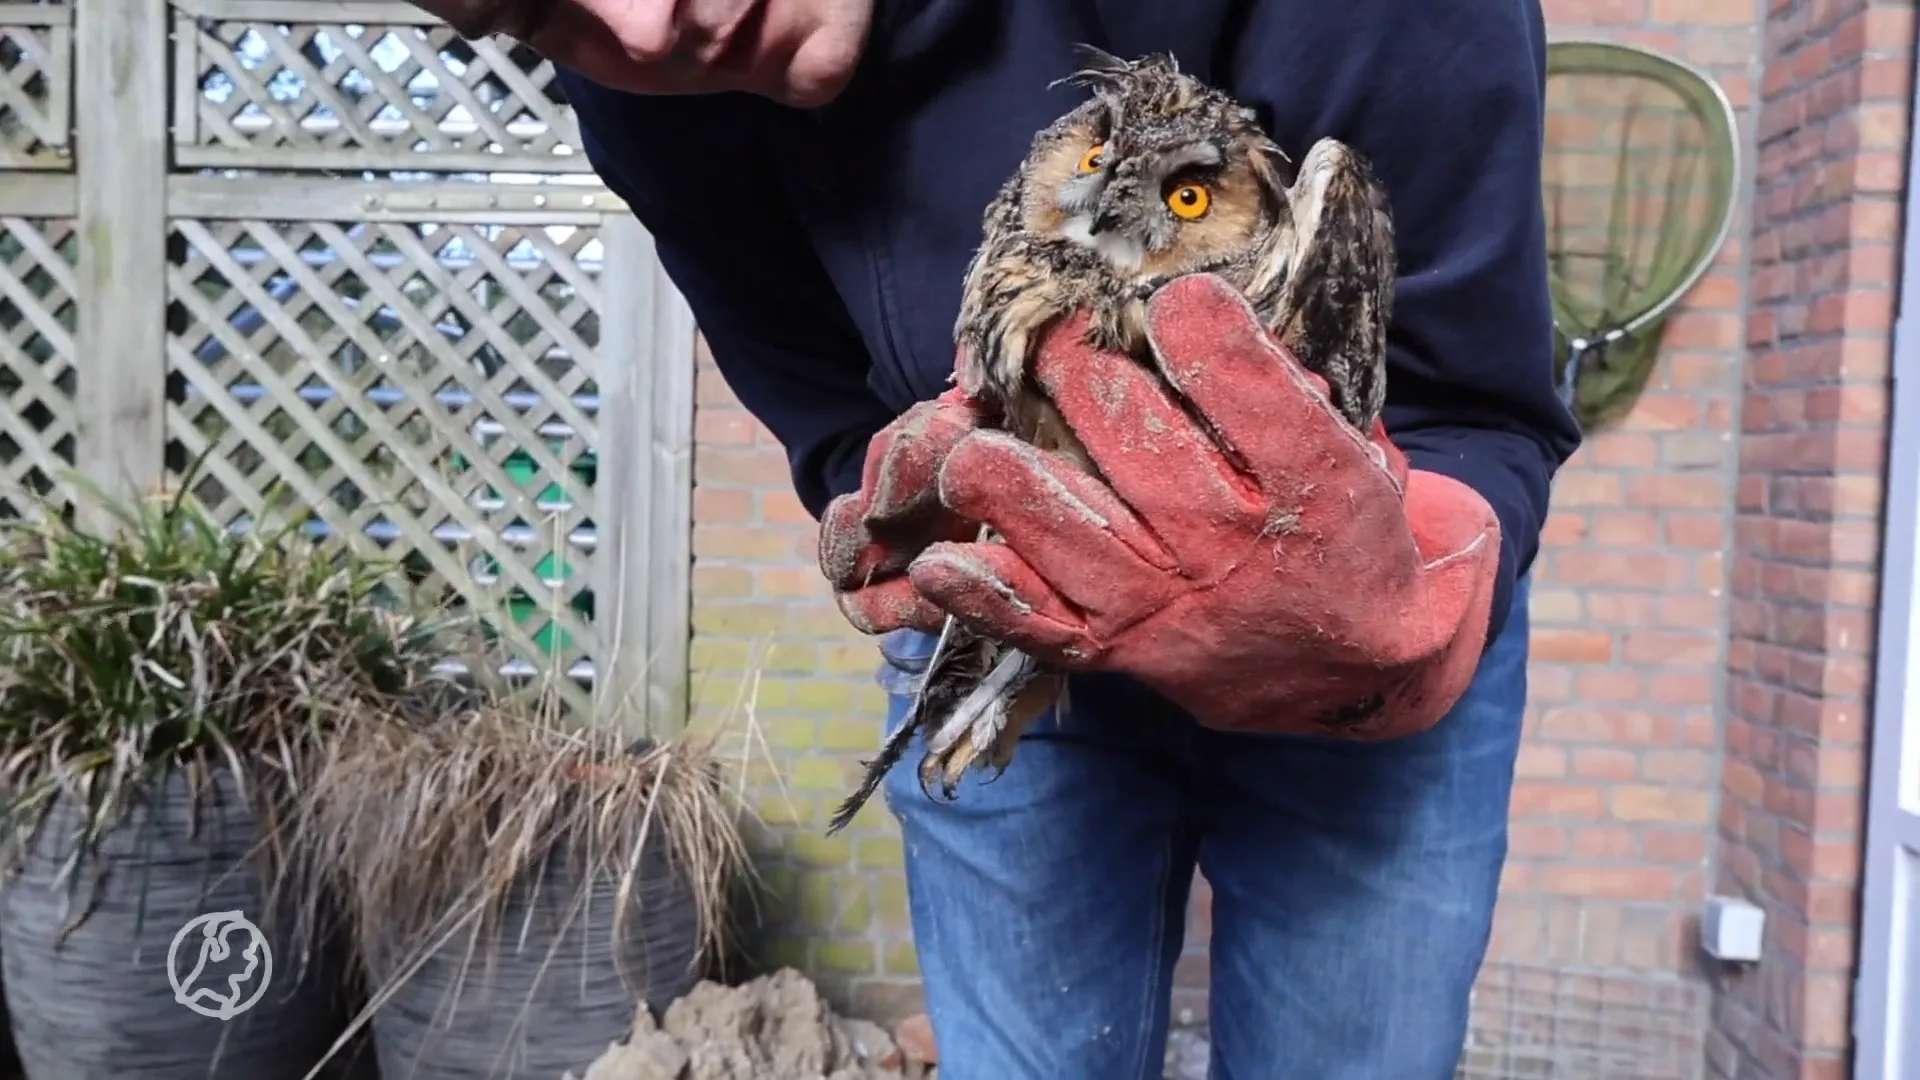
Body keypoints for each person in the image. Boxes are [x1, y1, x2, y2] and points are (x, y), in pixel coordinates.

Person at [412, 3, 1583, 1077]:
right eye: (531, 8)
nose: (641, 22)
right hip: (1013, 606)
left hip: (1353, 597)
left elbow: (1466, 408)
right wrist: (895, 514)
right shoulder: (643, 93)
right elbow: (829, 407)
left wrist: (1414, 598)